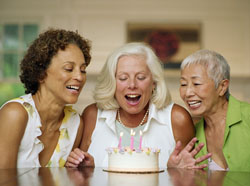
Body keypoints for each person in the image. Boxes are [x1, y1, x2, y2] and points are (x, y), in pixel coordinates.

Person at [66, 42, 211, 169]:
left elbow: (193, 175)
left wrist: (175, 172)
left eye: (141, 77)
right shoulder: (92, 115)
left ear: (153, 82)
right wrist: (87, 169)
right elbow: (77, 175)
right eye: (123, 78)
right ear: (112, 82)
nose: (132, 85)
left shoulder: (177, 119)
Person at [0, 28, 93, 168]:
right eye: (68, 68)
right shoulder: (14, 114)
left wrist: (83, 172)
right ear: (41, 73)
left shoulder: (75, 124)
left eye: (83, 70)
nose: (79, 77)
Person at [179, 49, 250, 171]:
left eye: (196, 84)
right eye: (183, 84)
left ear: (222, 87)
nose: (187, 93)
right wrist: (178, 171)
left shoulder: (247, 117)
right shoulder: (192, 135)